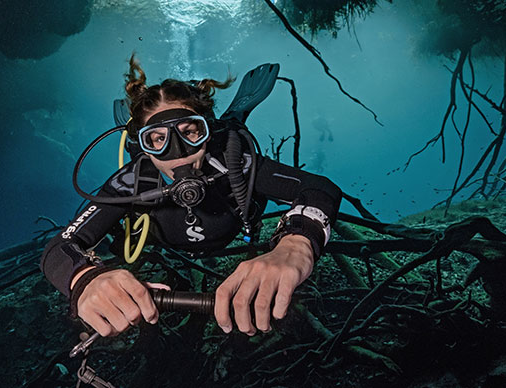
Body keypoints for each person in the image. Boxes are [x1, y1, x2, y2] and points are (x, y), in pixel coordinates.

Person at [40, 55, 341, 338]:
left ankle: (233, 116)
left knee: (233, 129)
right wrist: (85, 279)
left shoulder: (233, 162)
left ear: (206, 133)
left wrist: (297, 243)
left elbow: (318, 188)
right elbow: (61, 246)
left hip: (232, 215)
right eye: (158, 139)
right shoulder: (134, 180)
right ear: (144, 147)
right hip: (165, 243)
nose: (178, 152)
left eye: (190, 132)